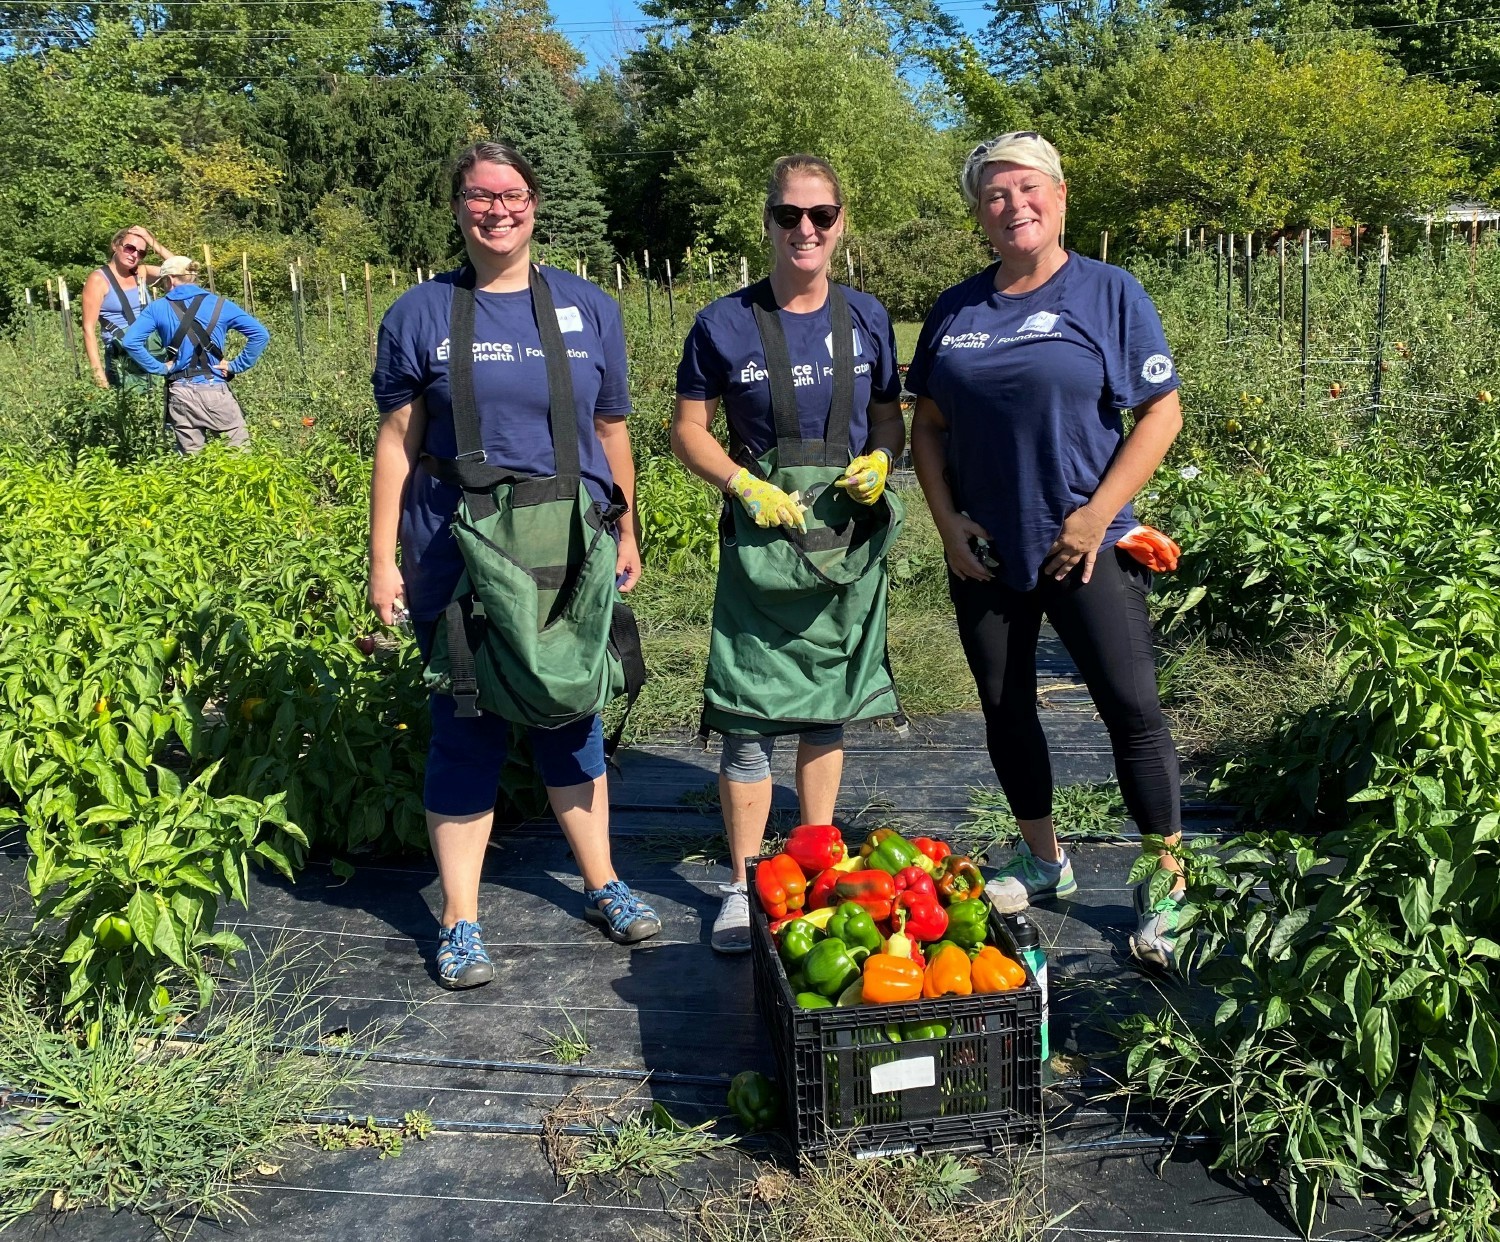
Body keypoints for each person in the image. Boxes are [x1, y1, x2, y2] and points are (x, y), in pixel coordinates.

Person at [368, 140, 660, 991]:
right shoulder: (418, 314)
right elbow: (396, 443)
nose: (498, 209)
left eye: (514, 194)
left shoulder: (588, 307)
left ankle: (602, 882)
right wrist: (381, 561)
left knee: (573, 715)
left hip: (570, 544)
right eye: (480, 196)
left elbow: (611, 433)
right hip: (460, 551)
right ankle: (461, 920)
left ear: (536, 204)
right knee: (467, 729)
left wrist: (628, 531)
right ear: (457, 208)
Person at [906, 132, 1187, 970]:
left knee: (1130, 709)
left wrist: (1098, 516)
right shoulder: (956, 310)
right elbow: (928, 426)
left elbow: (1160, 414)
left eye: (1029, 189)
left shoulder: (1108, 292)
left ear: (1061, 198)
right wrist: (948, 524)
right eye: (995, 195)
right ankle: (1044, 856)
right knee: (1005, 706)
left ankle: (1166, 881)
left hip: (1086, 547)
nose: (1014, 205)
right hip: (988, 551)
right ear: (979, 215)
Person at [672, 155, 906, 953]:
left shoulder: (869, 316)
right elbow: (686, 433)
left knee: (824, 712)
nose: (805, 229)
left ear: (842, 222)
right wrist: (743, 483)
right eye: (789, 215)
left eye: (821, 215)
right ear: (766, 221)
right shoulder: (723, 323)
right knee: (746, 719)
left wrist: (882, 461)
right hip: (763, 545)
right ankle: (742, 885)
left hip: (844, 542)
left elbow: (888, 422)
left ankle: (812, 869)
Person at [119, 256, 269, 455]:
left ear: (171, 280)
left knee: (192, 463)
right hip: (214, 388)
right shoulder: (220, 304)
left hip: (180, 392)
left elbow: (130, 341)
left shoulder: (157, 308)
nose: (164, 287)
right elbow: (260, 334)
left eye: (163, 282)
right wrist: (236, 365)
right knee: (238, 458)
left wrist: (160, 368)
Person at [81, 226, 176, 393]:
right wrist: (99, 376)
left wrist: (150, 239)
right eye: (130, 248)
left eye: (141, 252)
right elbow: (88, 329)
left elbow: (181, 269)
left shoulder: (141, 272)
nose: (134, 255)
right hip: (123, 357)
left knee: (161, 406)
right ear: (115, 246)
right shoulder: (98, 280)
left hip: (153, 351)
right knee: (132, 409)